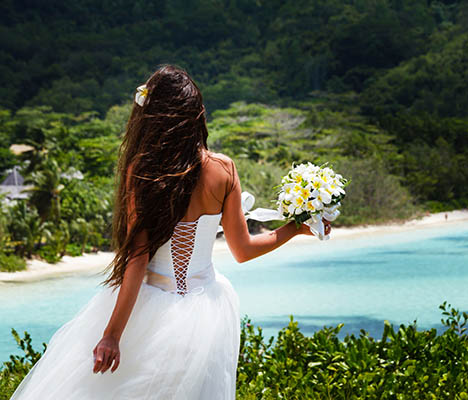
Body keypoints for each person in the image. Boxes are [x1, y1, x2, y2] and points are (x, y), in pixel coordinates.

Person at [10, 65, 331, 399]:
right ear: (197, 115)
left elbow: (137, 260)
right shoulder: (224, 169)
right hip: (208, 311)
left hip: (148, 310)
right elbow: (243, 250)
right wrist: (295, 228)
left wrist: (112, 335)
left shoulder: (144, 170)